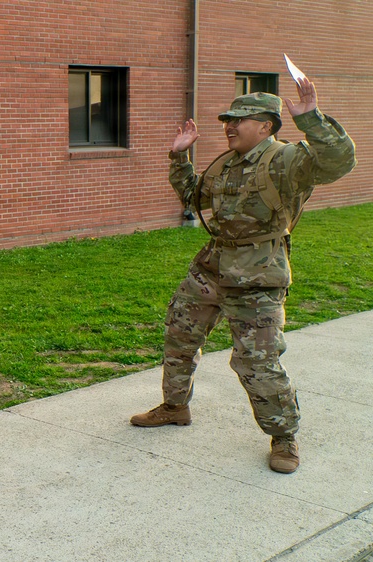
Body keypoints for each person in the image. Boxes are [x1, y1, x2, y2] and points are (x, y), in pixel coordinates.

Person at [130, 77, 356, 473]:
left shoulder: (288, 160)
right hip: (211, 268)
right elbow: (192, 199)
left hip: (258, 277)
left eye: (240, 120)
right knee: (179, 338)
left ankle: (284, 436)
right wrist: (179, 159)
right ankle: (174, 406)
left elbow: (339, 161)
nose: (230, 126)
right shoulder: (225, 163)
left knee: (257, 362)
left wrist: (312, 120)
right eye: (228, 120)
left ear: (266, 126)